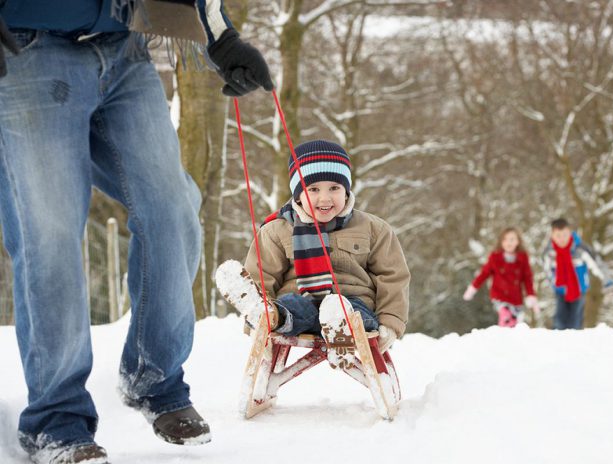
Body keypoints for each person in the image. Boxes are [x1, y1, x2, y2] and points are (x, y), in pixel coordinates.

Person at [0, 1, 272, 462]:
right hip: (27, 52)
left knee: (173, 210)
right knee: (50, 235)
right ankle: (56, 419)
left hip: (124, 51)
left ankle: (154, 376)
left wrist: (221, 38)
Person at [222, 140, 410, 367]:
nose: (325, 198)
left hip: (354, 308)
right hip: (302, 310)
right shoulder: (277, 230)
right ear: (298, 194)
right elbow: (264, 273)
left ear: (347, 189)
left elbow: (392, 276)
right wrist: (258, 325)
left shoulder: (373, 228)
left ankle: (339, 329)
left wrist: (391, 321)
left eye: (334, 188)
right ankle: (267, 314)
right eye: (313, 189)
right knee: (290, 306)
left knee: (348, 311)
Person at [542, 218, 613, 330]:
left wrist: (608, 282)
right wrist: (552, 281)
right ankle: (557, 343)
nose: (562, 239)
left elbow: (597, 264)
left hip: (579, 290)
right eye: (558, 236)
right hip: (560, 290)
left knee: (575, 322)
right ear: (552, 236)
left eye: (565, 235)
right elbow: (546, 269)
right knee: (559, 321)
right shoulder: (550, 253)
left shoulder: (580, 249)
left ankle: (575, 344)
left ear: (570, 232)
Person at [463, 227, 540, 327]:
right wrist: (473, 287)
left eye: (512, 239)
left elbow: (527, 278)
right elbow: (484, 274)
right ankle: (503, 333)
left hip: (516, 298)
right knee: (505, 316)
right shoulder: (495, 257)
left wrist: (530, 295)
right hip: (500, 295)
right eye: (505, 239)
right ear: (501, 242)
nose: (509, 242)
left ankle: (508, 337)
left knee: (515, 323)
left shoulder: (522, 258)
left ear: (518, 241)